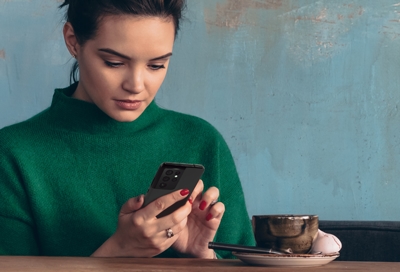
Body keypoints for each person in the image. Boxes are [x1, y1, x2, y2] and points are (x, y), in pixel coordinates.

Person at [0, 0, 255, 258]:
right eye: (114, 62)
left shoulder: (201, 140)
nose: (135, 85)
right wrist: (118, 250)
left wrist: (205, 258)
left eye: (156, 65)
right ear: (73, 41)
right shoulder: (13, 154)